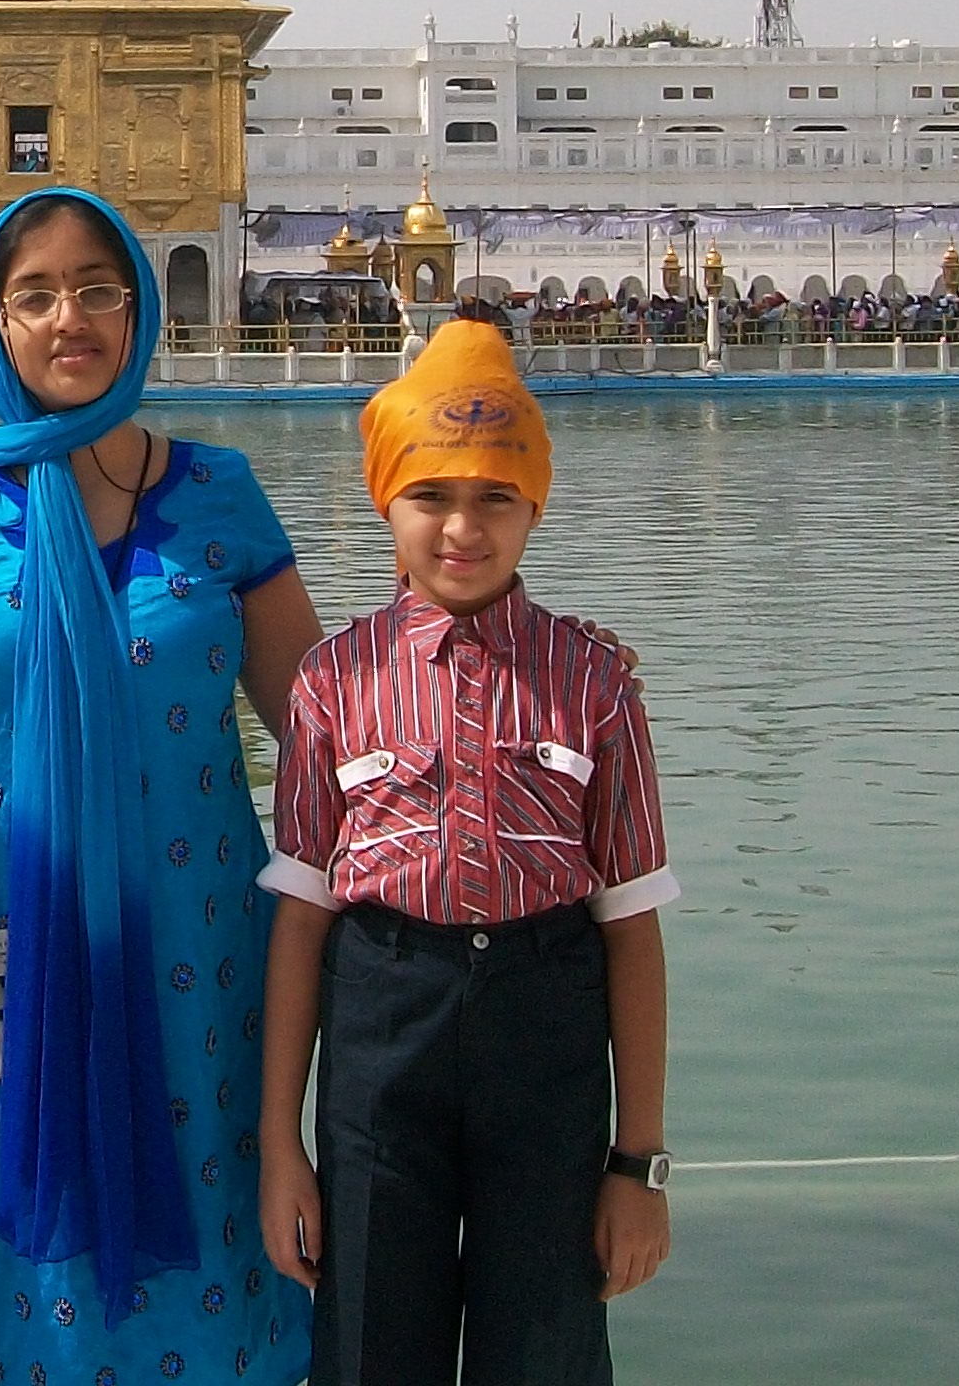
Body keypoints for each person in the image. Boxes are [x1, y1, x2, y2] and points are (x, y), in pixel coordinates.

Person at [0, 187, 326, 1382]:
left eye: (99, 289)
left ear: (141, 307)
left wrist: (502, 653)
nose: (72, 318)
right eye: (36, 294)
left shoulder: (216, 497)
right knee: (3, 1280)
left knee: (208, 1262)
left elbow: (328, 740)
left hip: (196, 968)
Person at [258, 320, 676, 1386]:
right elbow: (303, 919)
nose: (461, 527)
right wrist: (281, 1149)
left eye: (495, 496)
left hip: (546, 1027)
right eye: (431, 496)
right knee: (367, 1347)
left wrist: (638, 1164)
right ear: (385, 501)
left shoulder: (594, 681)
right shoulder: (332, 683)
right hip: (382, 1026)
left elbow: (630, 928)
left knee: (544, 1347)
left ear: (535, 503)